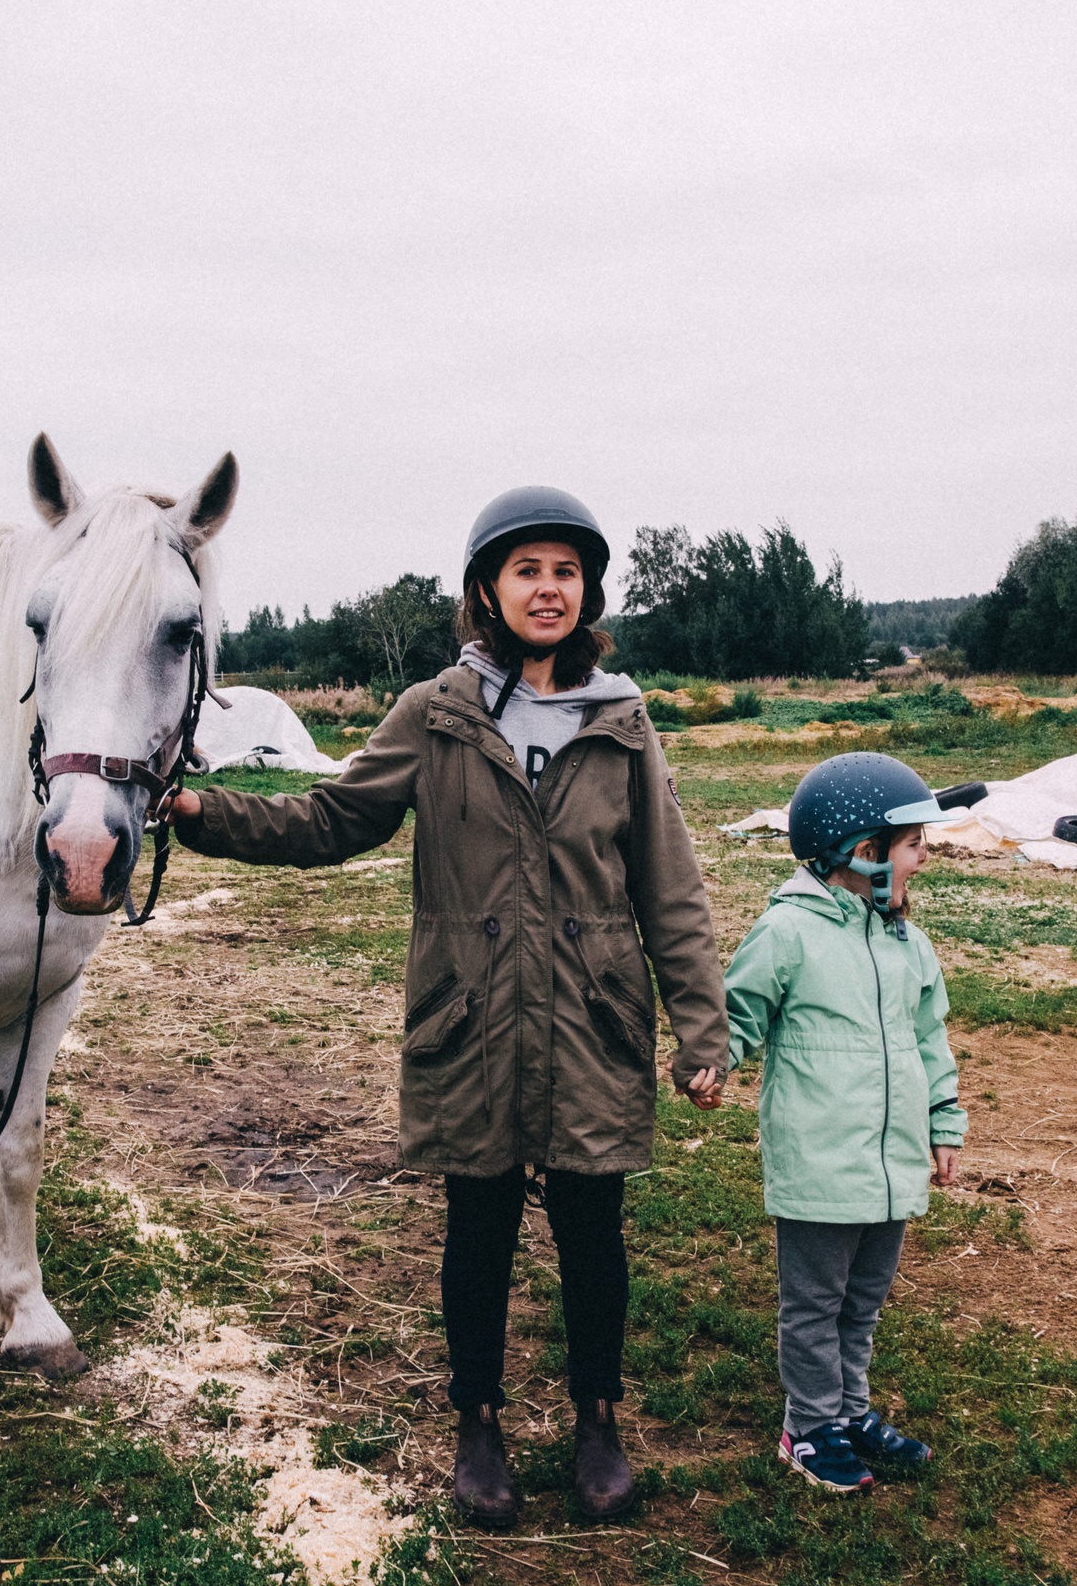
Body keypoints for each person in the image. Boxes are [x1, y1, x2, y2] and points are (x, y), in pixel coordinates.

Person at [166, 485, 729, 1525]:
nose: (547, 589)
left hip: (593, 1021)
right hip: (470, 1019)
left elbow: (670, 885)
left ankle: (597, 1424)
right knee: (476, 1230)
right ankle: (478, 1428)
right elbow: (336, 818)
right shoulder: (436, 713)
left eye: (565, 571)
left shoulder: (623, 721)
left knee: (592, 1230)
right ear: (486, 589)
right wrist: (202, 813)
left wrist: (702, 1025)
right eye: (527, 570)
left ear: (587, 589)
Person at [720, 752, 965, 1494]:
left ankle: (849, 1411)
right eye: (913, 844)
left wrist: (943, 1117)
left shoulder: (905, 942)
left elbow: (930, 1037)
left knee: (862, 1302)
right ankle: (809, 1424)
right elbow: (740, 1008)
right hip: (821, 1163)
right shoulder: (788, 931)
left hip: (887, 1163)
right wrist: (715, 1059)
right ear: (863, 853)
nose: (925, 856)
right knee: (815, 1306)